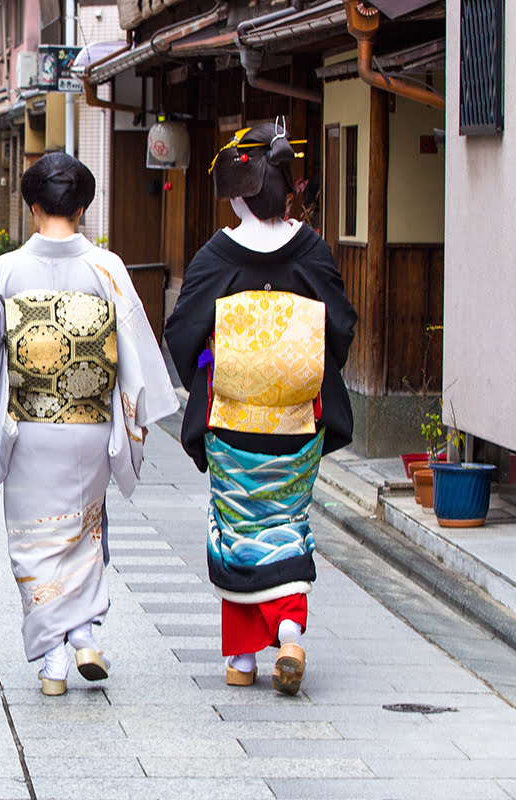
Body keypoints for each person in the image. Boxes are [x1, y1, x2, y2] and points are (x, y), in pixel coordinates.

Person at [0, 152, 179, 696]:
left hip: (30, 427)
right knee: (85, 533)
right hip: (91, 424)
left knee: (34, 542)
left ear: (32, 207)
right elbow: (134, 352)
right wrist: (131, 418)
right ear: (81, 208)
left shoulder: (6, 270)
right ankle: (85, 635)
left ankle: (54, 660)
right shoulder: (106, 267)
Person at [163, 122, 357, 696]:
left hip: (233, 423)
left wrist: (217, 361)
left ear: (239, 190)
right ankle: (290, 630)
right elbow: (340, 328)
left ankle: (244, 659)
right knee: (286, 523)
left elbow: (182, 332)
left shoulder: (219, 254)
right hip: (298, 423)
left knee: (238, 524)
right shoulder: (312, 249)